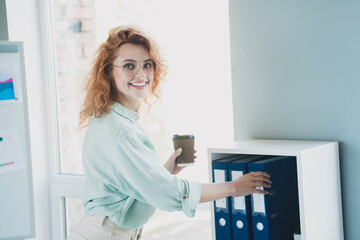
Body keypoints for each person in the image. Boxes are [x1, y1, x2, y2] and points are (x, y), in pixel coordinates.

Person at [67, 26, 271, 240]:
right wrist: (232, 188)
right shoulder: (119, 130)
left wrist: (166, 170)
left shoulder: (117, 119)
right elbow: (166, 193)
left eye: (147, 65)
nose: (141, 74)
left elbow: (137, 192)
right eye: (129, 66)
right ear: (108, 71)